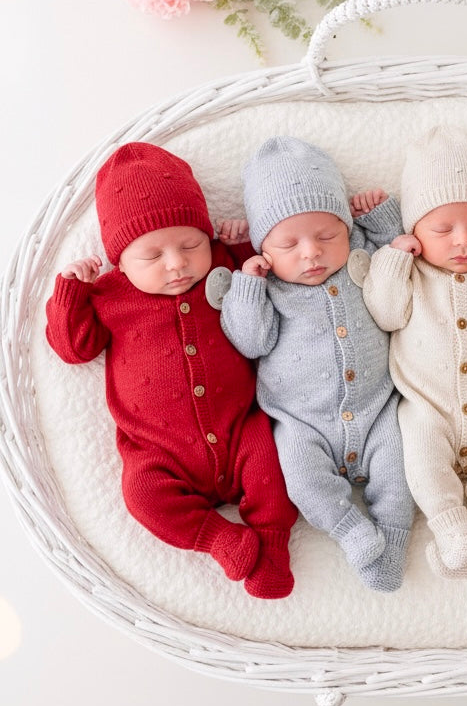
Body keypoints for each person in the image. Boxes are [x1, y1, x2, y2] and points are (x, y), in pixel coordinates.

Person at [44, 142, 298, 599]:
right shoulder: (109, 296)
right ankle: (221, 539)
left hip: (240, 429)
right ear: (120, 261)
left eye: (190, 244)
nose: (177, 263)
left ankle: (273, 550)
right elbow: (72, 349)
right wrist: (70, 293)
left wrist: (241, 246)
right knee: (142, 496)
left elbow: (266, 282)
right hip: (160, 453)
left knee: (276, 465)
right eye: (153, 257)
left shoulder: (221, 264)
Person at [220, 136, 414, 592]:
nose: (311, 252)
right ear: (264, 249)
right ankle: (350, 531)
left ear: (346, 231)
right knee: (302, 480)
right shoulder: (264, 288)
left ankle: (393, 539)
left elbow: (399, 255)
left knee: (400, 470)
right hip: (301, 420)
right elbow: (249, 342)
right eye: (290, 244)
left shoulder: (359, 257)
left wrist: (379, 216)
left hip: (377, 408)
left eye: (327, 236)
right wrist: (246, 286)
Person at [362, 125, 467, 578]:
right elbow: (386, 314)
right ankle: (450, 528)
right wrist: (394, 256)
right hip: (426, 404)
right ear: (415, 229)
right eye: (442, 228)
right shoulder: (410, 272)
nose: (463, 241)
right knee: (423, 460)